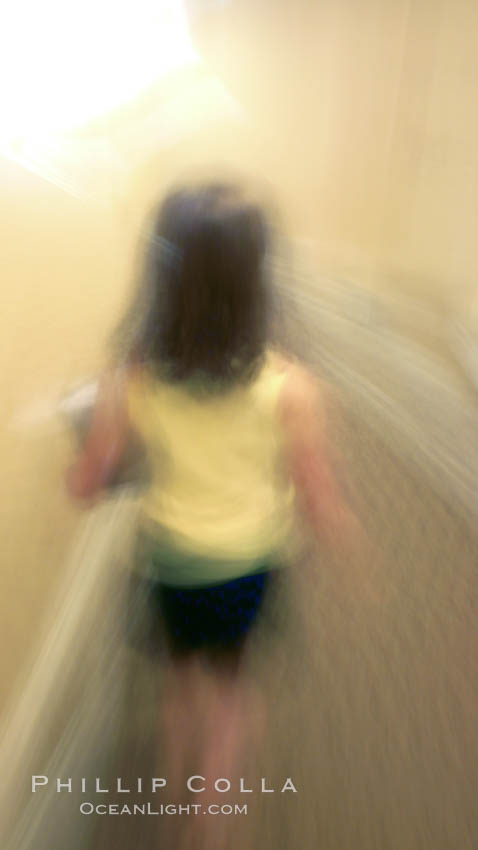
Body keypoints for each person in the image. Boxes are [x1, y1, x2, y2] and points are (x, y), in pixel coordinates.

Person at [66, 181, 362, 844]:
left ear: (160, 279)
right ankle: (215, 824)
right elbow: (317, 494)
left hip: (170, 561)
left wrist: (81, 465)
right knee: (231, 693)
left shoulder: (132, 379)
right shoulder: (291, 388)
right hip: (248, 565)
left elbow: (89, 483)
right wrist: (340, 531)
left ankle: (173, 801)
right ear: (259, 282)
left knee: (178, 684)